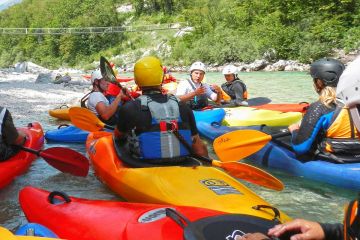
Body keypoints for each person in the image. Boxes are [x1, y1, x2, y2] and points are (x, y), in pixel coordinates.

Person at [114, 56, 208, 163]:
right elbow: (200, 149)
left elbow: (118, 136)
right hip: (181, 163)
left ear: (136, 80)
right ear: (162, 79)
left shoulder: (129, 108)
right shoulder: (183, 106)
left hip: (145, 166)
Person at [288, 58, 360, 162]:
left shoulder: (320, 107)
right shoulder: (356, 102)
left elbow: (300, 148)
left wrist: (294, 130)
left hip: (336, 157)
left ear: (319, 83)